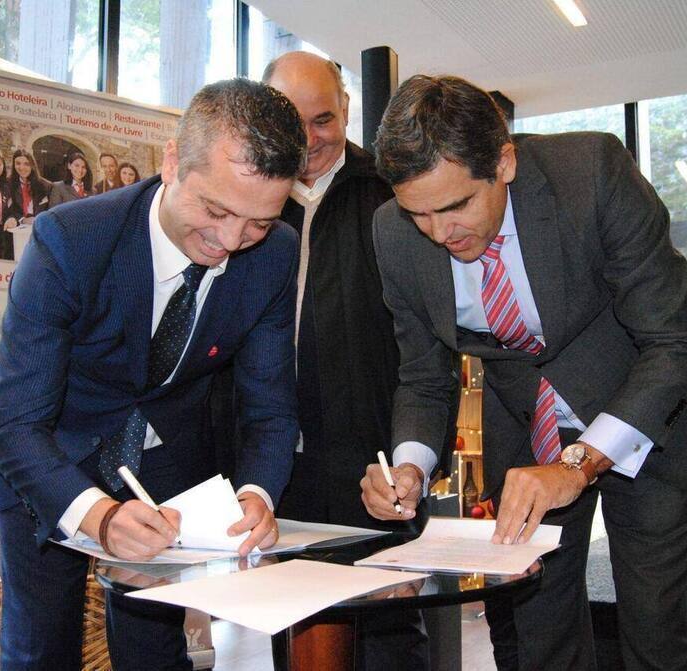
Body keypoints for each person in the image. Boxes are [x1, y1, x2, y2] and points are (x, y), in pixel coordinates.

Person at [361, 75, 687, 671]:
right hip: (527, 433)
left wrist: (579, 464)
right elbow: (423, 375)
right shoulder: (393, 233)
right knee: (542, 634)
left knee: (654, 629)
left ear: (504, 163)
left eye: (455, 206)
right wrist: (409, 468)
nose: (440, 233)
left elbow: (676, 341)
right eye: (419, 213)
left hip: (643, 417)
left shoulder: (591, 175)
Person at [0, 78, 307, 670]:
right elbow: (14, 426)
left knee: (156, 653)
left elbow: (270, 406)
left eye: (258, 222)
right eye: (216, 210)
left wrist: (257, 494)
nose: (230, 241)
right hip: (52, 458)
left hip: (168, 465)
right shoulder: (71, 240)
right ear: (171, 163)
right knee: (40, 649)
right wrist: (101, 517)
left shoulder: (275, 252)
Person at [257, 51, 432, 671]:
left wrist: (411, 453)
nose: (308, 139)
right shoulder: (250, 197)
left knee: (389, 632)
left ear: (347, 110)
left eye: (323, 119)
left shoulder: (390, 193)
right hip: (278, 466)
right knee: (297, 634)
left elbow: (423, 348)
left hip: (372, 464)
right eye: (291, 121)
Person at [5, 148, 52, 227]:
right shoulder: (8, 184)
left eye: (26, 164)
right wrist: (22, 220)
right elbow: (8, 210)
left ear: (32, 165)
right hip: (17, 229)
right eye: (18, 163)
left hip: (40, 227)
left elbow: (51, 211)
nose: (21, 167)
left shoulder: (47, 186)